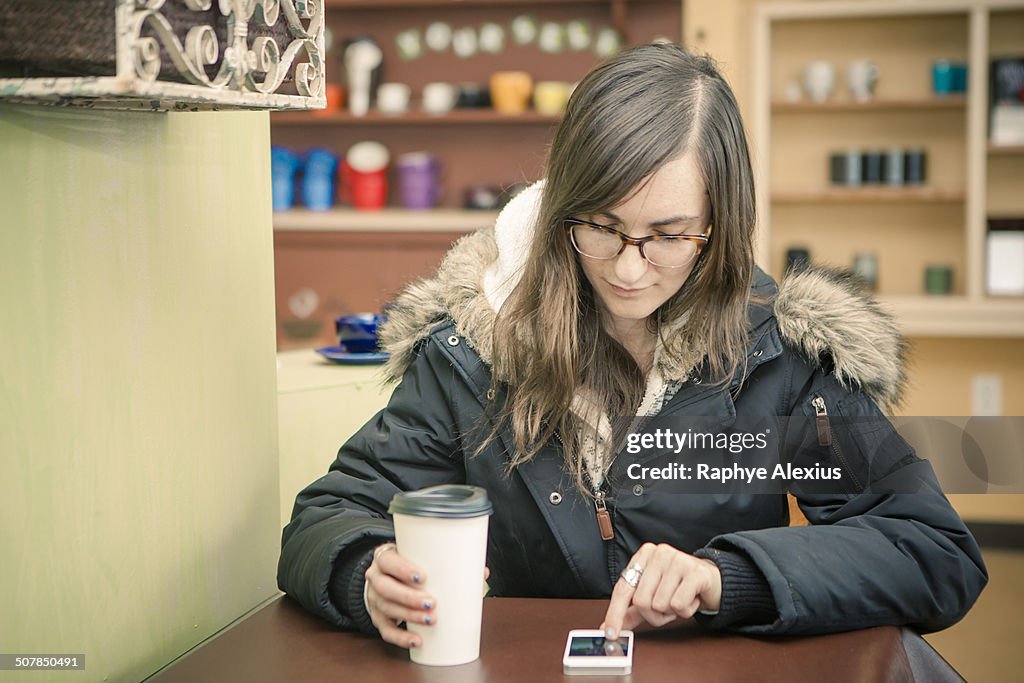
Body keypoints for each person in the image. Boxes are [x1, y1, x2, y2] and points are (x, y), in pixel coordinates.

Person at [277, 43, 986, 649]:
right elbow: (325, 515)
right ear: (562, 209)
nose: (627, 267)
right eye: (602, 226)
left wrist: (725, 575)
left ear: (720, 223)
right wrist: (362, 573)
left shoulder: (779, 354)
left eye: (669, 235)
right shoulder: (474, 347)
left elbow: (929, 548)